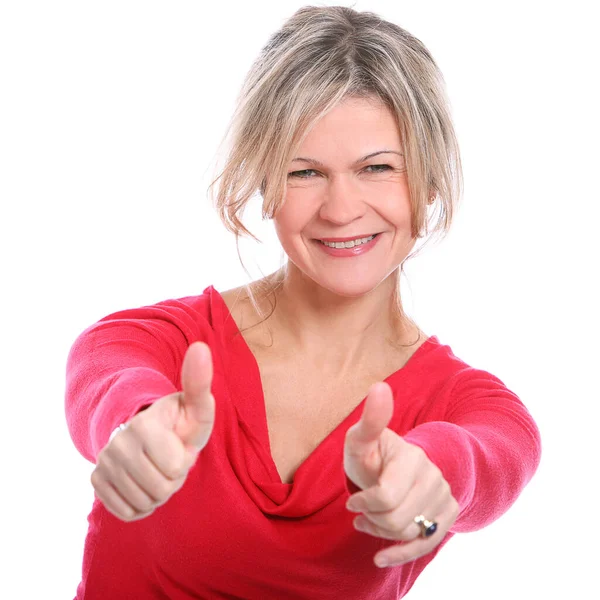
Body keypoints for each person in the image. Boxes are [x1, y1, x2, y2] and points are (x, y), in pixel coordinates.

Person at [65, 5, 542, 599]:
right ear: (266, 184)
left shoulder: (471, 406)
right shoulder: (153, 343)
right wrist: (137, 427)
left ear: (430, 180)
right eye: (305, 173)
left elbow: (489, 456)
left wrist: (437, 473)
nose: (341, 210)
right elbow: (108, 376)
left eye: (377, 168)